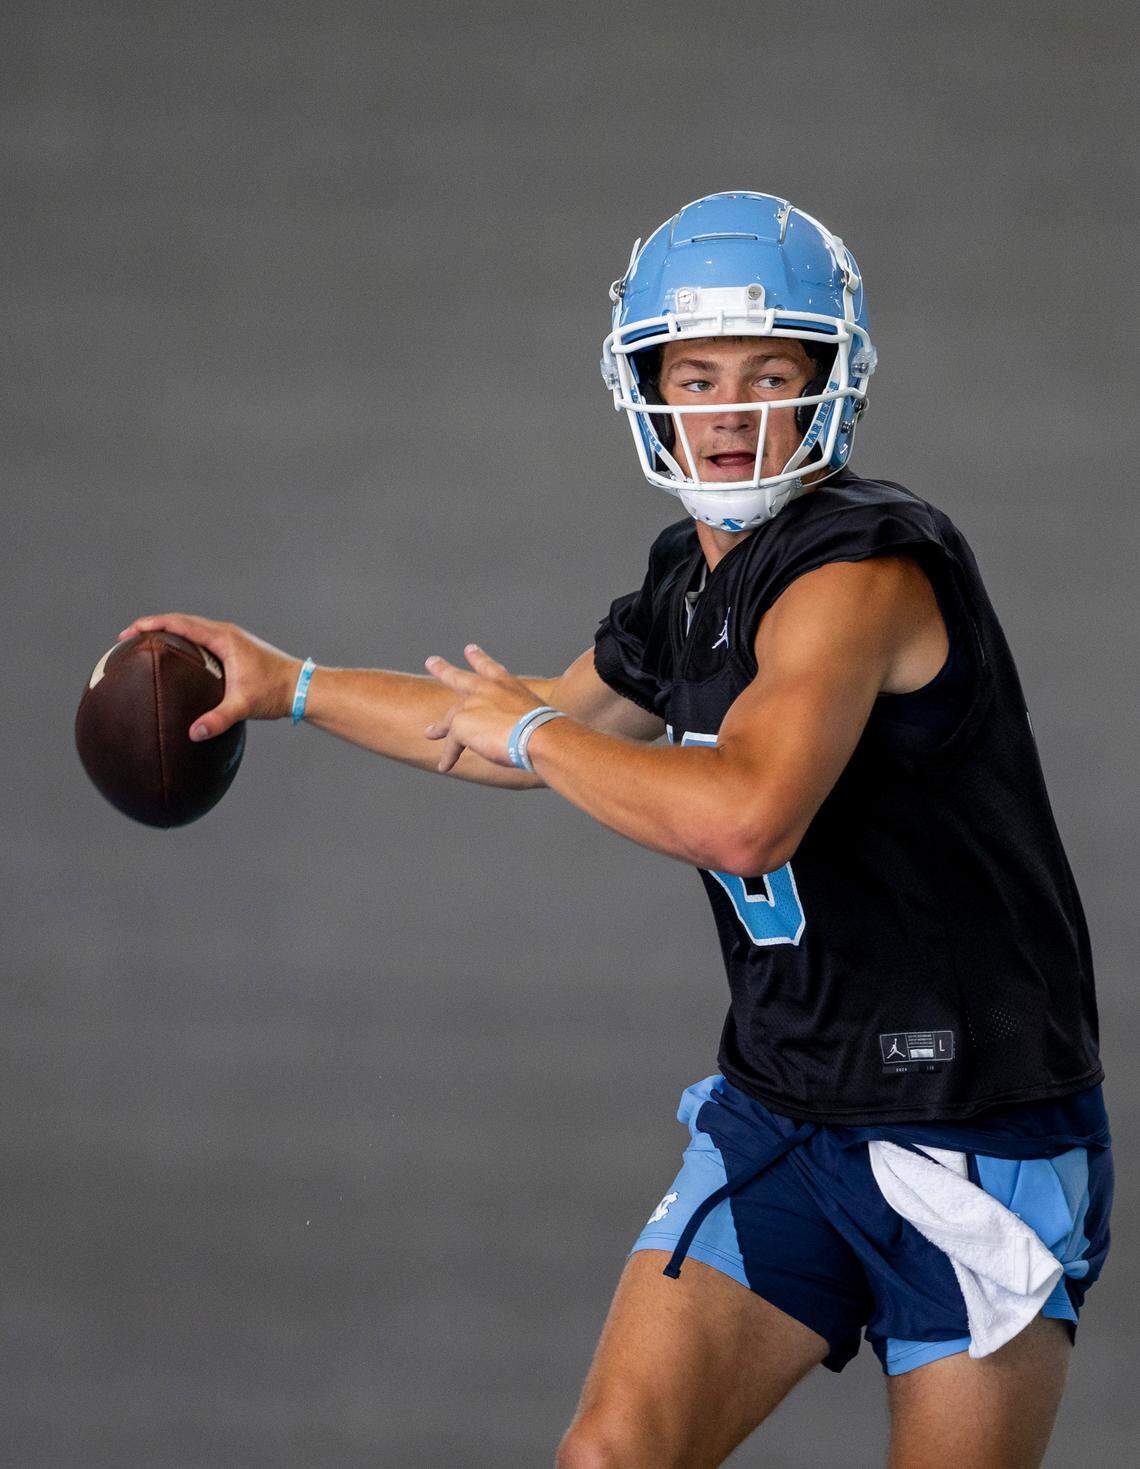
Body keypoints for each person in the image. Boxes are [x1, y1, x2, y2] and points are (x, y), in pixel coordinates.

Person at [118, 191, 1112, 1467]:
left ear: (829, 384)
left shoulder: (863, 573)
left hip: (976, 1129)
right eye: (698, 375)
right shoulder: (687, 581)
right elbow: (520, 717)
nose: (733, 411)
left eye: (771, 373)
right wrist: (293, 682)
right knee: (610, 1455)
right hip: (789, 1111)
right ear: (649, 385)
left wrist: (535, 735)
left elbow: (745, 817)